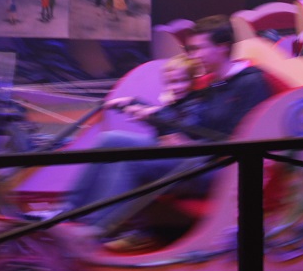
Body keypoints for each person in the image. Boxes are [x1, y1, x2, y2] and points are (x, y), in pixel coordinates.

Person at [67, 16, 272, 247]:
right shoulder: (216, 82)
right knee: (112, 140)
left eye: (198, 49)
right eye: (191, 49)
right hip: (194, 153)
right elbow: (187, 118)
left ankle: (96, 229)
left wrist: (192, 144)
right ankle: (69, 211)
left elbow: (244, 140)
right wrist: (143, 108)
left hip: (220, 167)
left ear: (222, 47)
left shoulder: (251, 83)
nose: (193, 56)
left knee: (130, 162)